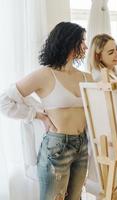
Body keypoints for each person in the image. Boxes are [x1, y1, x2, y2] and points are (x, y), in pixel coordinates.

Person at [0, 22, 93, 200]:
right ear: (68, 42)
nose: (85, 46)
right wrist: (37, 115)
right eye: (81, 41)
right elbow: (4, 101)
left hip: (82, 145)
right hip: (57, 147)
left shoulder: (86, 77)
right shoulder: (44, 74)